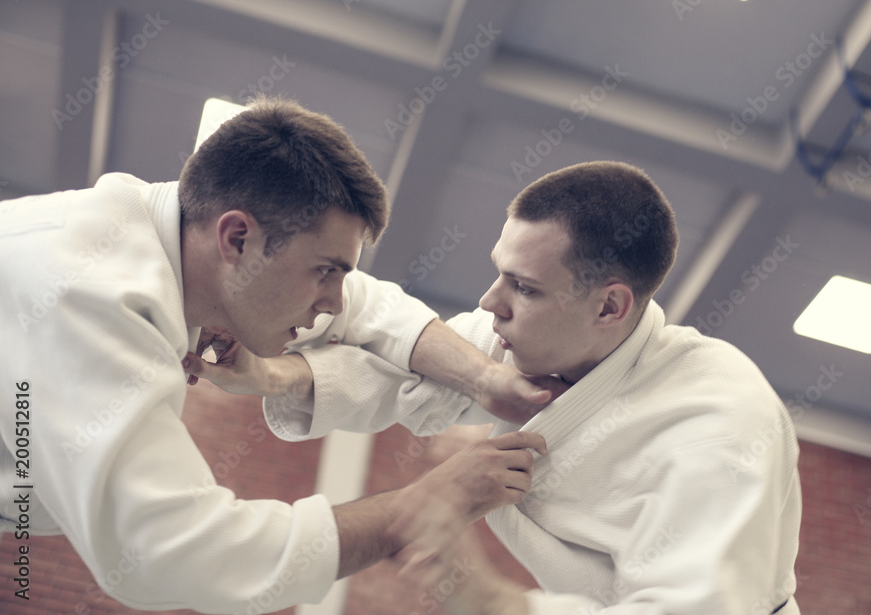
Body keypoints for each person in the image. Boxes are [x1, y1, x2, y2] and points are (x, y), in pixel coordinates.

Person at [0, 96, 552, 613]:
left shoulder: (158, 234)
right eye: (325, 270)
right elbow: (174, 552)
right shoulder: (86, 295)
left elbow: (364, 305)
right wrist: (420, 503)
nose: (334, 298)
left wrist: (483, 378)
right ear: (237, 239)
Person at [192, 160, 803, 614]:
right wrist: (269, 374)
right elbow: (401, 367)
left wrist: (488, 599)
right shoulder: (526, 337)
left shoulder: (719, 420)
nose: (491, 303)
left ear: (611, 306)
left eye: (525, 288)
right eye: (498, 273)